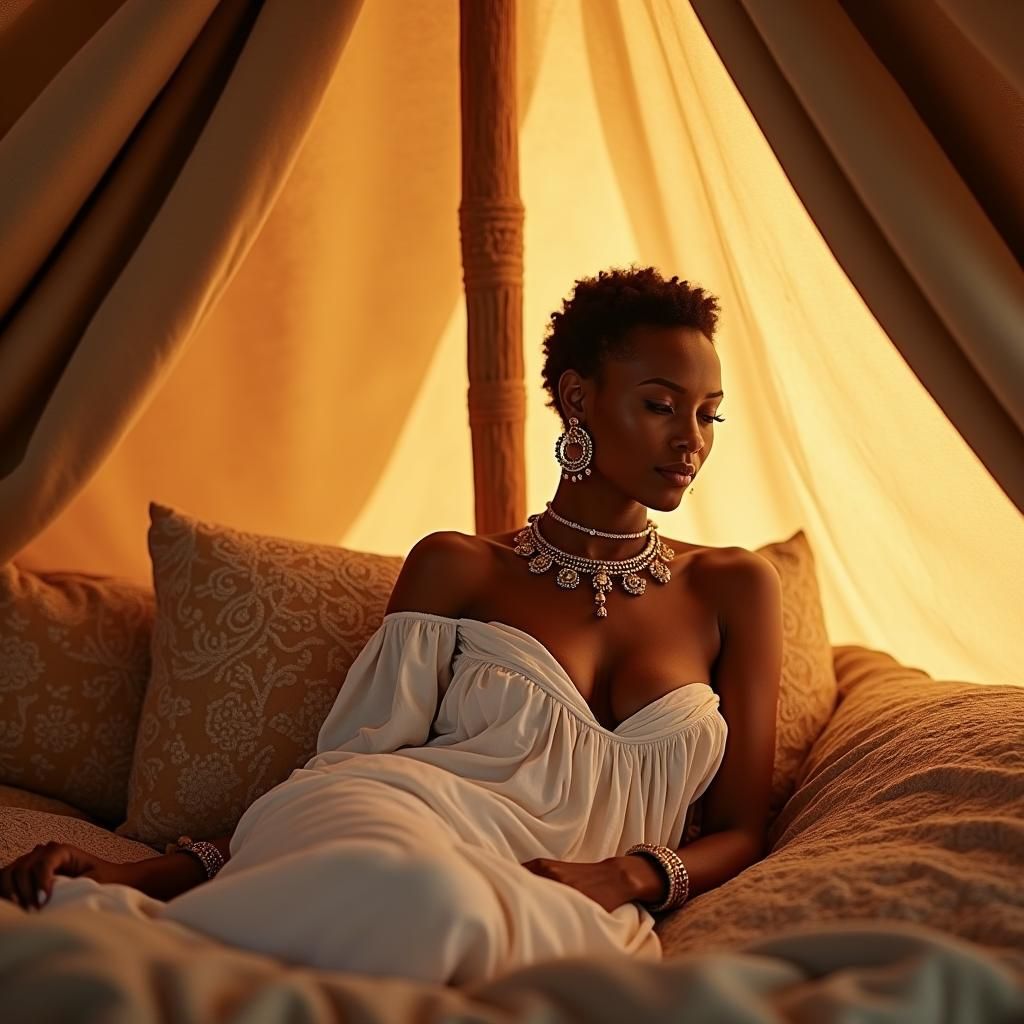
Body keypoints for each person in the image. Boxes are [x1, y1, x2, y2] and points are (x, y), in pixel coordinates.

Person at [0, 265, 783, 986]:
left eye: (710, 415)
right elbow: (350, 761)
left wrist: (627, 878)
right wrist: (142, 874)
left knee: (446, 914)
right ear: (578, 400)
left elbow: (743, 829)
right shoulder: (459, 567)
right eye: (660, 405)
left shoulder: (733, 587)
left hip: (569, 893)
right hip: (396, 821)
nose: (692, 441)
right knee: (422, 895)